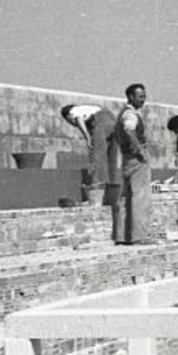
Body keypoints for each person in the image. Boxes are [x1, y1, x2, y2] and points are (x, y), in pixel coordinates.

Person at [60, 104, 121, 234]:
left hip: (100, 121)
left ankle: (97, 193)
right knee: (111, 160)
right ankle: (111, 192)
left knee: (96, 157)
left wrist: (87, 137)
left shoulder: (72, 112)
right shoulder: (88, 108)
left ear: (67, 117)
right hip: (113, 121)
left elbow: (78, 120)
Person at [113, 83, 154, 245]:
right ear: (131, 97)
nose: (143, 100)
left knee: (126, 197)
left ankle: (121, 236)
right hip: (136, 158)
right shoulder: (130, 114)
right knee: (140, 197)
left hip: (126, 158)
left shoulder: (123, 113)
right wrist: (140, 150)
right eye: (140, 97)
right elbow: (129, 130)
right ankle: (139, 236)